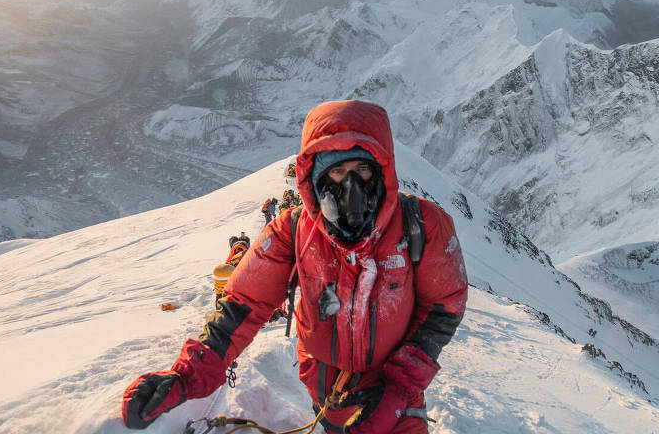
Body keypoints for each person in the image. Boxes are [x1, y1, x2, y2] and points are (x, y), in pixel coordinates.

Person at [121, 100, 468, 433]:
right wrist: (185, 377)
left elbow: (443, 308)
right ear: (315, 180)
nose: (351, 187)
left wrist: (396, 389)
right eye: (336, 171)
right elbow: (242, 306)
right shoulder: (293, 232)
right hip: (325, 391)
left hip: (395, 395)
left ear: (381, 171)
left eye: (362, 169)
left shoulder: (422, 226)